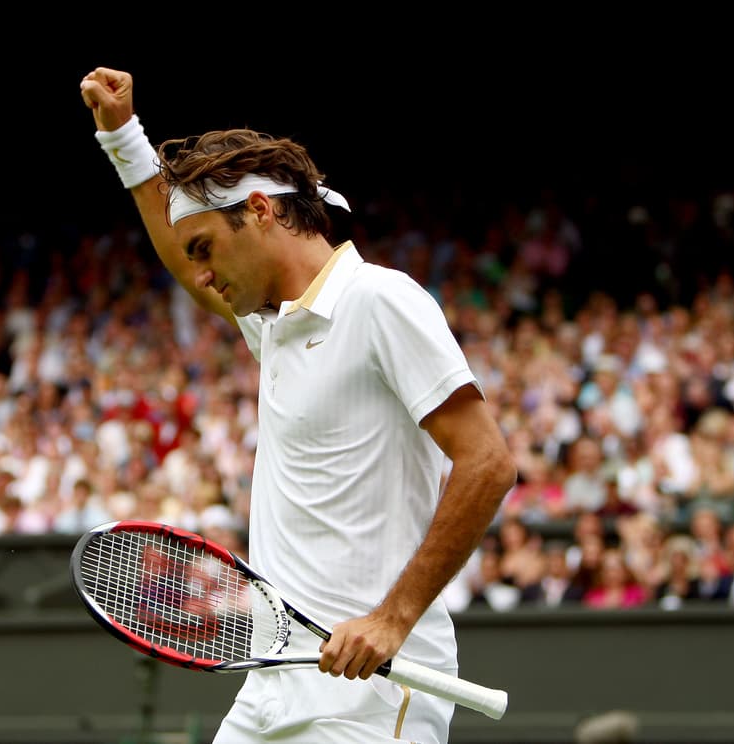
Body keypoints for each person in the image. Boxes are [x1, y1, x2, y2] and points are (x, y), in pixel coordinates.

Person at [80, 67, 517, 743]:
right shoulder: (274, 325)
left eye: (208, 250)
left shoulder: (379, 300)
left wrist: (392, 619)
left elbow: (487, 462)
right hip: (272, 690)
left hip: (370, 698)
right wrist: (123, 138)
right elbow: (181, 258)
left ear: (259, 211)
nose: (200, 273)